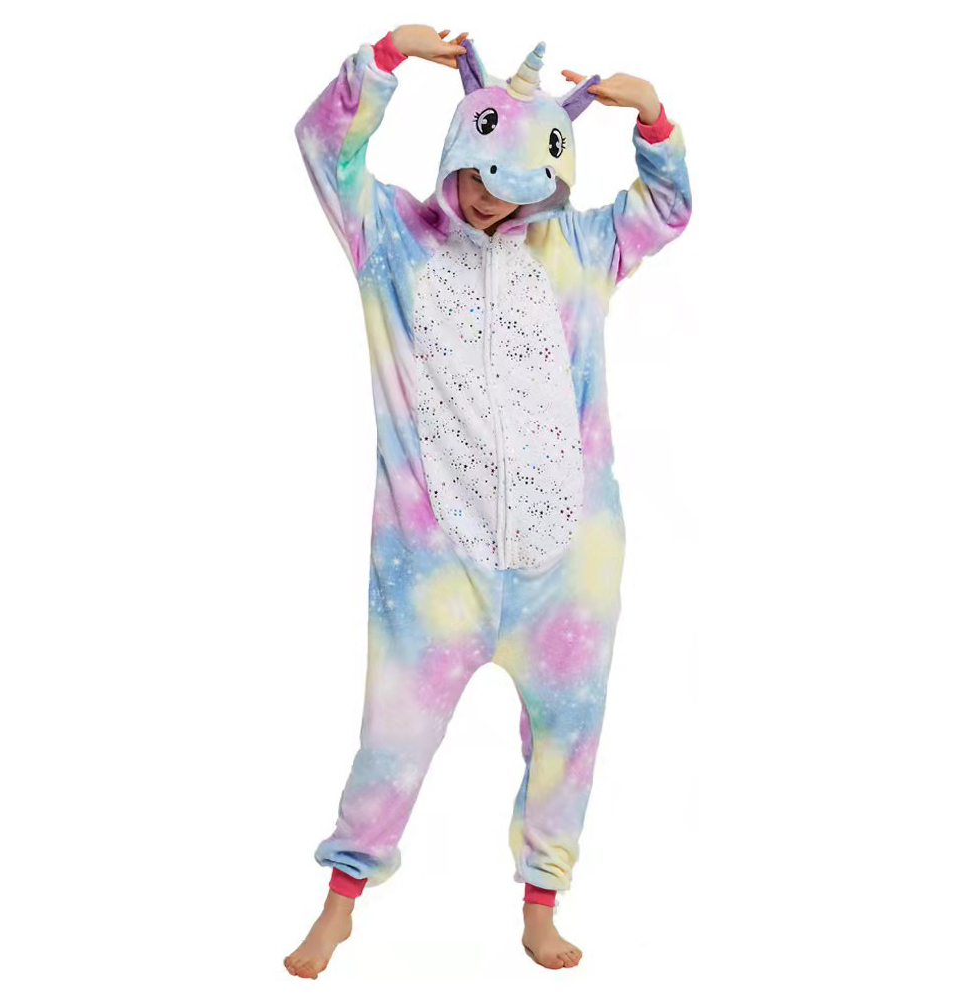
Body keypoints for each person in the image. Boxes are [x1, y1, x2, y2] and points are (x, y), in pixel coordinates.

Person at [285, 23, 692, 977]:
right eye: (482, 177)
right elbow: (324, 147)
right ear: (457, 153)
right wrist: (383, 60)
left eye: (523, 186)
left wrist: (655, 120)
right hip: (435, 569)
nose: (497, 201)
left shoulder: (581, 247)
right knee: (392, 739)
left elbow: (669, 208)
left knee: (568, 738)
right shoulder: (391, 239)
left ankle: (542, 903)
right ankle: (342, 899)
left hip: (570, 567)